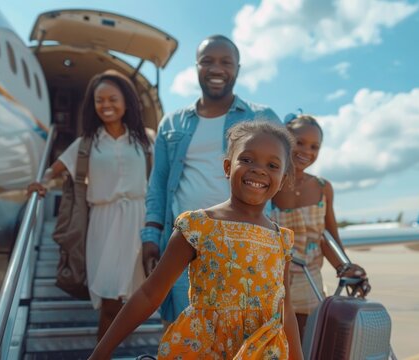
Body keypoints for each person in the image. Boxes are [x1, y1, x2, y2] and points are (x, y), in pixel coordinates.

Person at [90, 121, 304, 359]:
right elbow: (150, 294)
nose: (259, 169)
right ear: (227, 166)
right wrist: (101, 352)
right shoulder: (198, 226)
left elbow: (284, 307)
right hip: (204, 350)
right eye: (246, 159)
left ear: (283, 180)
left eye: (272, 165)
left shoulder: (280, 239)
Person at [141, 34, 281, 325]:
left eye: (225, 62)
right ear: (196, 67)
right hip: (185, 246)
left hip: (245, 246)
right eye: (208, 61)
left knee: (242, 334)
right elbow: (158, 183)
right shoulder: (172, 124)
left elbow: (284, 174)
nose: (216, 68)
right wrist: (151, 236)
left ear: (238, 69)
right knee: (184, 332)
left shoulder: (262, 117)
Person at [27, 70, 152, 340]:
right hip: (102, 223)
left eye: (112, 99)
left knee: (133, 299)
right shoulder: (86, 144)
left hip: (138, 222)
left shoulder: (146, 140)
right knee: (109, 300)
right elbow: (54, 170)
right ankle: (102, 353)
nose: (105, 105)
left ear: (127, 102)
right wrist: (42, 182)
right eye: (99, 100)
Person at [271, 114, 370, 337]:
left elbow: (328, 237)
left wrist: (346, 267)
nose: (307, 151)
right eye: (300, 142)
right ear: (285, 139)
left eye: (315, 146)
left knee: (305, 343)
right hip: (272, 282)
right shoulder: (270, 181)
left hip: (309, 282)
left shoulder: (323, 187)